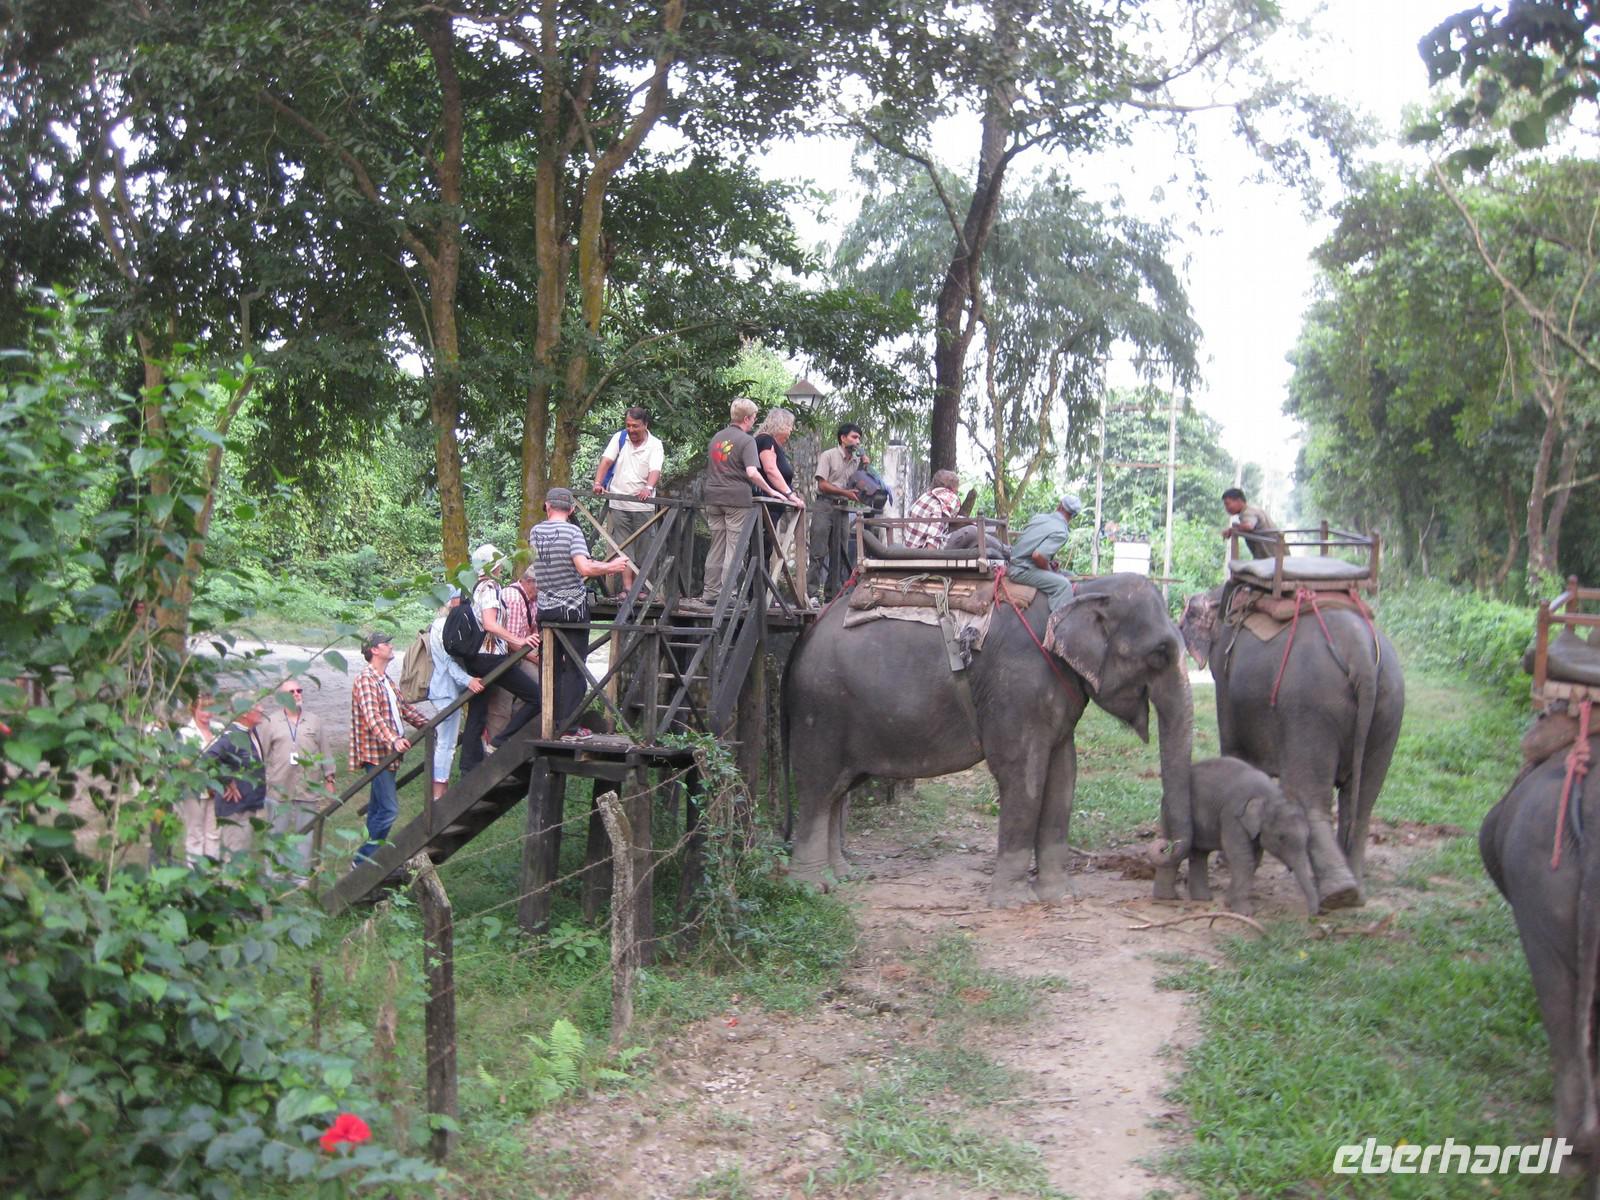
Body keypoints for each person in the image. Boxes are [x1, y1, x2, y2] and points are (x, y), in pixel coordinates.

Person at [529, 486, 630, 735]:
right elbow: (584, 568)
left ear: (547, 506)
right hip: (571, 609)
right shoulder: (572, 531)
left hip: (546, 608)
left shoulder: (535, 531)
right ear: (572, 509)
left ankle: (551, 721)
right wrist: (611, 566)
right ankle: (570, 726)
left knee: (549, 666)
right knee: (575, 667)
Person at [690, 397, 795, 611]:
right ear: (747, 418)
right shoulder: (746, 441)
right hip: (736, 500)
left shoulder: (717, 438)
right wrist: (773, 491)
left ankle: (710, 592)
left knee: (716, 546)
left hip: (713, 498)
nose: (755, 421)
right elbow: (752, 473)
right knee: (735, 548)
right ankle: (728, 594)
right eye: (754, 417)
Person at [456, 544, 542, 775]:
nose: (502, 568)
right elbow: (490, 624)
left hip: (477, 657)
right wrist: (519, 640)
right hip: (490, 656)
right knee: (536, 697)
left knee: (478, 710)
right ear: (492, 565)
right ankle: (500, 742)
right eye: (499, 563)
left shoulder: (474, 586)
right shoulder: (490, 587)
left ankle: (468, 767)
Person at [349, 632, 429, 864]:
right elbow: (372, 716)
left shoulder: (385, 680)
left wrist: (431, 725)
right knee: (388, 810)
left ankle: (364, 861)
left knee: (377, 809)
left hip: (389, 754)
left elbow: (404, 709)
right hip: (376, 754)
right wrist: (393, 739)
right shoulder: (366, 680)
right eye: (386, 644)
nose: (391, 647)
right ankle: (363, 860)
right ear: (374, 650)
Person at [257, 678, 336, 879]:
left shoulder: (314, 721)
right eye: (291, 692)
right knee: (276, 831)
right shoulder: (270, 722)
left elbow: (325, 750)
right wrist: (259, 782)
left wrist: (329, 778)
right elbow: (260, 755)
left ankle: (301, 875)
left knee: (305, 833)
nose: (297, 694)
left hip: (307, 787)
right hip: (278, 788)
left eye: (299, 691)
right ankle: (275, 874)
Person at [591, 407, 664, 591]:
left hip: (643, 506)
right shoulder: (620, 438)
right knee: (623, 548)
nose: (631, 430)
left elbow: (655, 470)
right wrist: (598, 482)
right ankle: (628, 589)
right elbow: (606, 460)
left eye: (635, 426)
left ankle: (643, 589)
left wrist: (648, 488)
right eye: (628, 425)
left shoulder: (655, 444)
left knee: (645, 549)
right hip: (619, 503)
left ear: (645, 425)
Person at [426, 590, 485, 798]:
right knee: (446, 744)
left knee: (446, 742)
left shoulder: (441, 623)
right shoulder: (443, 625)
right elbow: (448, 662)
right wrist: (469, 680)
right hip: (446, 690)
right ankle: (439, 793)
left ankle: (440, 790)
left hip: (447, 689)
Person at [198, 697, 269, 863]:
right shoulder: (232, 736)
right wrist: (226, 780)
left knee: (242, 856)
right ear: (244, 712)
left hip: (248, 806)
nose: (262, 709)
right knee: (235, 861)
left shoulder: (250, 732)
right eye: (257, 706)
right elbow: (206, 759)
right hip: (235, 810)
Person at [808, 422, 870, 601]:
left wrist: (864, 467)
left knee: (839, 552)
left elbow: (857, 483)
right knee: (818, 551)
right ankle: (811, 594)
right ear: (843, 438)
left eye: (859, 438)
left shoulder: (856, 461)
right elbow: (822, 484)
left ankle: (832, 595)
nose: (857, 441)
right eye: (854, 437)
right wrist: (845, 493)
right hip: (825, 505)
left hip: (842, 508)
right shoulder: (828, 455)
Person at [753, 408, 806, 593]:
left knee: (765, 549)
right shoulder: (766, 441)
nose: (791, 431)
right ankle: (756, 595)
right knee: (761, 549)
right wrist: (790, 494)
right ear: (781, 425)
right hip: (765, 504)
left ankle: (759, 593)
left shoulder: (770, 443)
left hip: (771, 506)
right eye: (790, 426)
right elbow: (770, 470)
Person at [1005, 494, 1083, 612]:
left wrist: (1049, 564)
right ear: (1073, 516)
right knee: (1063, 585)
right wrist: (1049, 570)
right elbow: (1038, 556)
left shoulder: (1039, 518)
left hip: (1016, 562)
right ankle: (1058, 621)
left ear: (1059, 506)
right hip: (1021, 570)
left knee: (1071, 575)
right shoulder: (1062, 532)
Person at [177, 692, 225, 864]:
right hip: (194, 789)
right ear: (193, 709)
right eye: (203, 709)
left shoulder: (220, 728)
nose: (207, 714)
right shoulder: (184, 732)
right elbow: (180, 761)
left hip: (216, 788)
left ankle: (211, 871)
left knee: (214, 833)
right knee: (195, 834)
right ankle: (195, 872)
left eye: (211, 709)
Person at [903, 469, 961, 550]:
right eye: (956, 491)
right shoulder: (941, 503)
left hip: (910, 547)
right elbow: (933, 542)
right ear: (950, 490)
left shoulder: (926, 496)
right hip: (922, 552)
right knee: (972, 532)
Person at [1219, 487, 1277, 560]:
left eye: (1227, 504)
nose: (1226, 508)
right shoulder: (1252, 509)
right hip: (1275, 557)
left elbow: (1249, 526)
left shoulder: (1248, 512)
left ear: (1239, 501)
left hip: (1272, 559)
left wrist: (1232, 530)